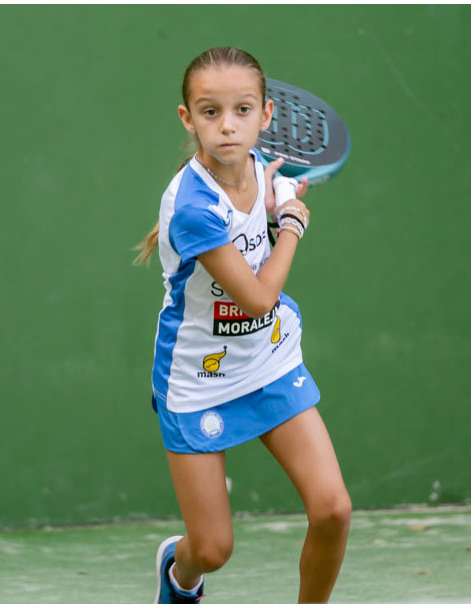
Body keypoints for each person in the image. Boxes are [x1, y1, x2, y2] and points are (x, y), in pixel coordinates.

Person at [133, 47, 351, 604]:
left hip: (268, 359)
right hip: (198, 379)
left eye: (242, 110)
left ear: (266, 115)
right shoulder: (192, 207)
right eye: (211, 112)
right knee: (212, 549)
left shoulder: (262, 169)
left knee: (333, 509)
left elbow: (257, 266)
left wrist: (275, 204)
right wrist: (292, 224)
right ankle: (178, 571)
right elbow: (256, 299)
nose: (228, 125)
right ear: (188, 118)